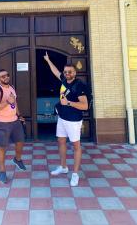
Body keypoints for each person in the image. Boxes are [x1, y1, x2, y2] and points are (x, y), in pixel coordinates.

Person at [44, 52, 88, 186]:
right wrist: (48, 60)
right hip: (62, 118)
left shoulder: (79, 85)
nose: (67, 74)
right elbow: (56, 72)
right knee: (61, 141)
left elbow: (85, 105)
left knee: (76, 146)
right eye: (66, 72)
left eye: (70, 72)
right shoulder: (64, 79)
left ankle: (75, 174)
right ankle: (63, 167)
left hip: (73, 120)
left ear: (75, 73)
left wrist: (68, 103)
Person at [0, 69, 26, 184]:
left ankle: (17, 159)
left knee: (20, 141)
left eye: (7, 75)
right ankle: (2, 170)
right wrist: (7, 101)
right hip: (0, 123)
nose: (5, 77)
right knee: (2, 147)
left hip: (14, 121)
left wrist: (19, 115)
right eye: (2, 76)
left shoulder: (11, 88)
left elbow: (15, 104)